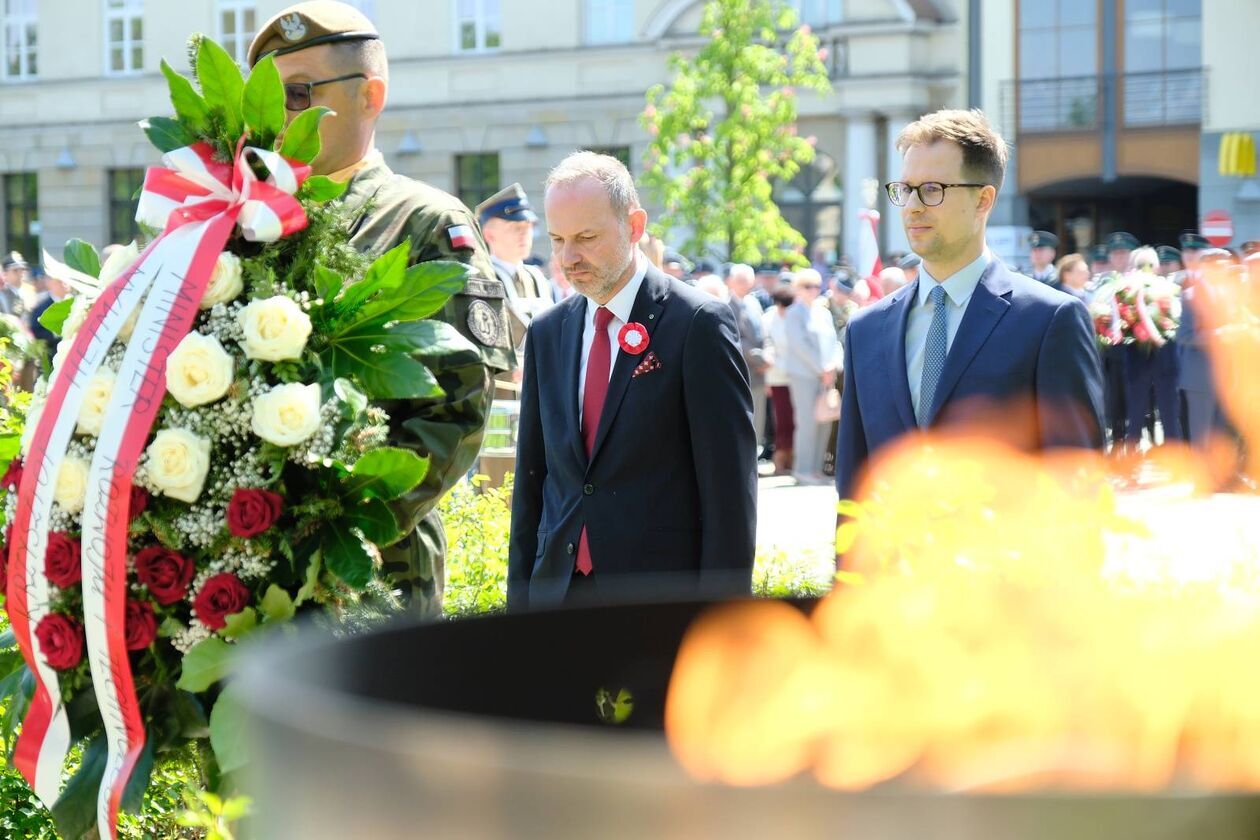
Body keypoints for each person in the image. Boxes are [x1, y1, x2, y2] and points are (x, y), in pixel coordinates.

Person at [249, 2, 516, 619]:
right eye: (264, 95)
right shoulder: (249, 223)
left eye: (298, 93)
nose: (277, 115)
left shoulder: (426, 224)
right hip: (249, 573)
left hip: (376, 575)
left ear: (370, 95)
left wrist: (342, 523)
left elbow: (457, 407)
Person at [508, 152, 756, 610]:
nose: (568, 258)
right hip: (557, 595)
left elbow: (729, 494)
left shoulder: (697, 323)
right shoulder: (547, 334)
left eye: (586, 237)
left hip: (658, 601)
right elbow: (532, 485)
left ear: (635, 226)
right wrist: (518, 610)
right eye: (558, 239)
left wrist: (725, 624)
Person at [835, 109, 1104, 531]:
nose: (912, 207)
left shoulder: (1050, 320)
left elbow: (1076, 488)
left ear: (983, 199)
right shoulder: (865, 330)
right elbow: (854, 491)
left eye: (931, 189)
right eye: (904, 190)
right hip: (892, 590)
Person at [476, 182, 552, 393]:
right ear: (489, 235)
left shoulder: (536, 278)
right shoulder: (482, 279)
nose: (524, 235)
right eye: (515, 228)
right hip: (501, 394)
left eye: (527, 227)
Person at [783, 269, 839, 483]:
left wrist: (833, 365)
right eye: (808, 286)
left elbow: (834, 342)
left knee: (825, 419)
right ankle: (802, 469)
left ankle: (816, 469)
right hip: (804, 375)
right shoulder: (793, 313)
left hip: (826, 375)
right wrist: (821, 368)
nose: (813, 290)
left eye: (817, 286)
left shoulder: (822, 312)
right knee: (806, 422)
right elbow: (799, 346)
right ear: (798, 288)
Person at [725, 263, 770, 454]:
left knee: (759, 419)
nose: (744, 284)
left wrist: (768, 354)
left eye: (747, 280)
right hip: (743, 370)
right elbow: (736, 339)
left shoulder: (753, 303)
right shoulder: (727, 306)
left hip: (760, 372)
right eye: (740, 280)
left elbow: (765, 334)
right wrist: (761, 359)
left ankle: (755, 456)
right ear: (731, 282)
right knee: (744, 418)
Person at [763, 285, 797, 475]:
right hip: (776, 376)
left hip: (795, 375)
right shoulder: (769, 318)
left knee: (793, 420)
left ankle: (791, 458)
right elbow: (767, 344)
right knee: (781, 419)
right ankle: (780, 460)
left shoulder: (794, 317)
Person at [0, 251, 30, 318]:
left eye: (22, 269)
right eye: (15, 270)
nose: (20, 274)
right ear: (5, 274)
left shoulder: (29, 293)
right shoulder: (1, 296)